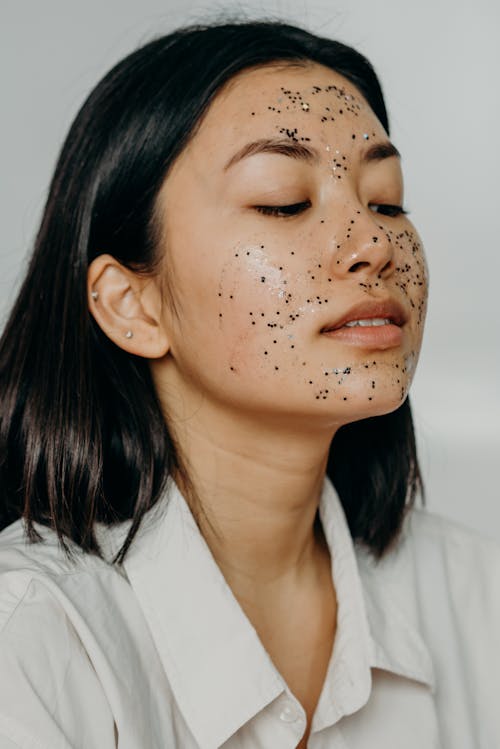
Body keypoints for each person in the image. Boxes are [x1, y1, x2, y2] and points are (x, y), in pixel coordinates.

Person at [0, 18, 498, 749]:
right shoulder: (32, 638)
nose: (372, 244)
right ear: (130, 304)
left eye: (387, 201)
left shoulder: (475, 595)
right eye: (283, 202)